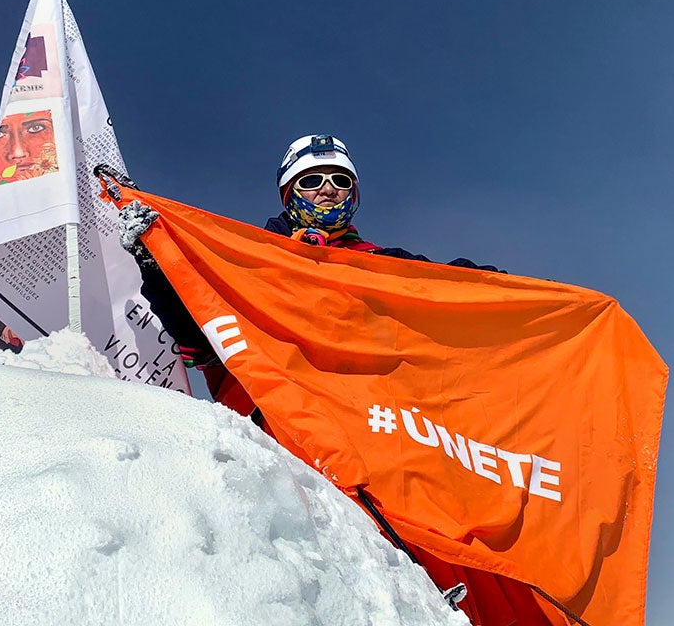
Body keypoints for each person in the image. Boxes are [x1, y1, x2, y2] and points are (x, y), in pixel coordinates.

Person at [120, 134, 500, 426]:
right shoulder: (247, 262)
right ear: (289, 193)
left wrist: (509, 290)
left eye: (340, 179)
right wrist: (155, 263)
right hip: (279, 438)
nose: (328, 188)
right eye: (312, 179)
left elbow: (446, 286)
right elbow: (200, 335)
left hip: (377, 430)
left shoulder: (384, 265)